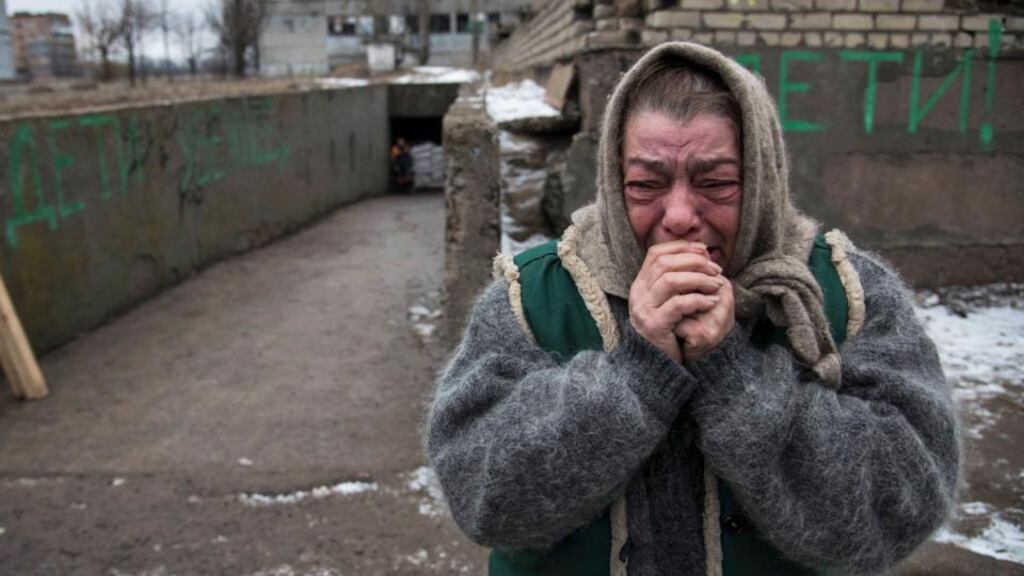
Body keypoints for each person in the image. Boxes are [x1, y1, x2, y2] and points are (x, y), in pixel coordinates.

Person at [425, 42, 959, 576]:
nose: (679, 216)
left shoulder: (846, 292)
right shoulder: (533, 297)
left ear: (763, 179)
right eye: (645, 185)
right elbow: (481, 498)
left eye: (717, 183)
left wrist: (734, 378)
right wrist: (635, 377)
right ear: (614, 182)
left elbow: (905, 505)